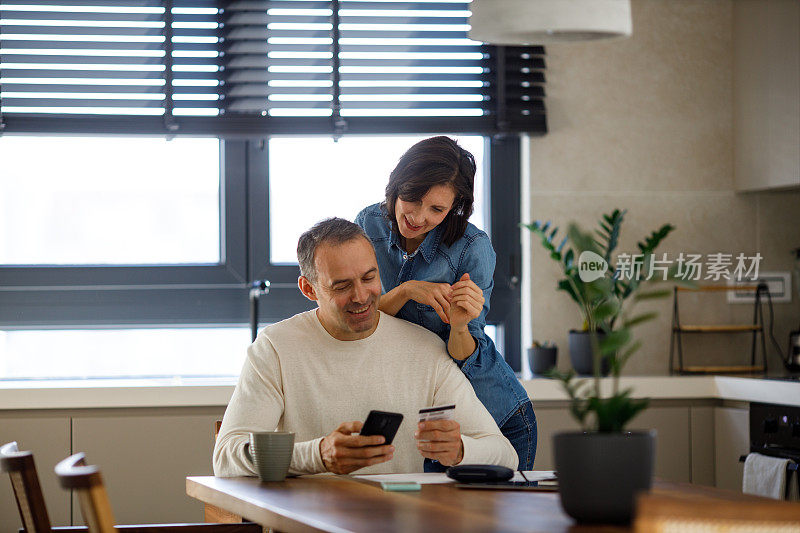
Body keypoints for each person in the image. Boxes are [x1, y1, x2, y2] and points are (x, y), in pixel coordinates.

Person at [213, 218, 517, 477]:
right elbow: (226, 457)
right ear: (309, 289)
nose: (361, 296)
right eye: (342, 286)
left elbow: (506, 455)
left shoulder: (424, 350)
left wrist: (461, 450)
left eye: (369, 278)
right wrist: (318, 455)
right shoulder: (275, 348)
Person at [355, 136, 536, 471]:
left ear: (453, 208)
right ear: (397, 183)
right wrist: (407, 290)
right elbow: (359, 316)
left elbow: (470, 352)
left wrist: (460, 323)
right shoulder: (368, 225)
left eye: (437, 209)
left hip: (491, 418)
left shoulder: (472, 248)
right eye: (413, 198)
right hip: (423, 417)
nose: (418, 217)